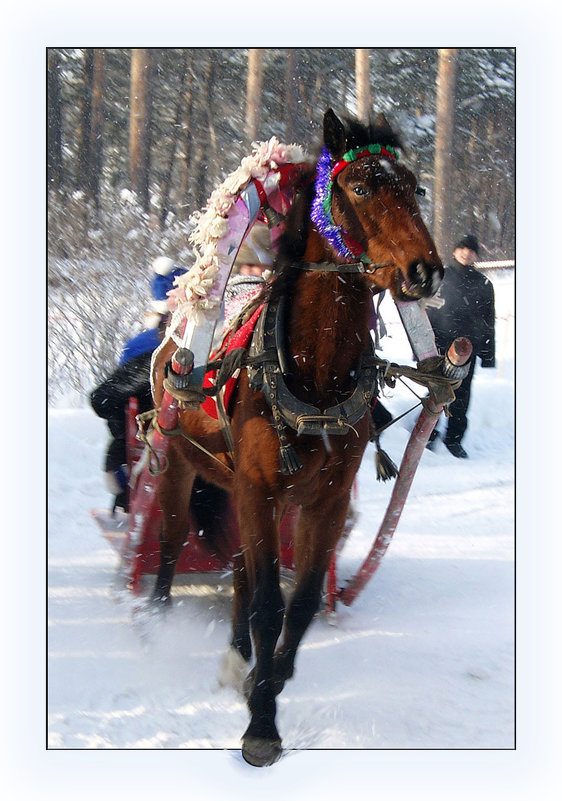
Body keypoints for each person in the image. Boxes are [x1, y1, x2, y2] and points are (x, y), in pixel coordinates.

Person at [90, 257, 186, 512]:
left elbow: (103, 398)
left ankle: (122, 482)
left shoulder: (144, 347)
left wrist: (121, 434)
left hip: (156, 431)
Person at [425, 234, 495, 458]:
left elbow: (488, 319)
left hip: (468, 348)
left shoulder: (484, 284)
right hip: (440, 344)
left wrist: (488, 354)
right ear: (454, 251)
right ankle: (428, 433)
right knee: (436, 388)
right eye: (463, 248)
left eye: (472, 250)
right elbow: (425, 311)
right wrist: (424, 344)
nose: (467, 253)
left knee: (462, 394)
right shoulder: (440, 276)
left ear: (476, 255)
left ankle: (454, 439)